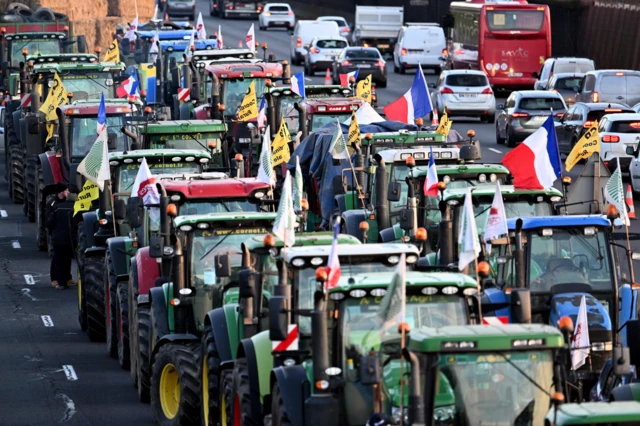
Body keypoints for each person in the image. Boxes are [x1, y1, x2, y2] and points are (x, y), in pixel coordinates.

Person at [46, 183, 76, 290]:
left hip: (60, 236)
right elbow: (48, 221)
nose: (68, 192)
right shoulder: (53, 203)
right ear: (62, 192)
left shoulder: (59, 207)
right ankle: (56, 279)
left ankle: (66, 278)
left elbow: (50, 222)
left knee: (65, 259)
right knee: (57, 259)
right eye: (66, 190)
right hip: (60, 236)